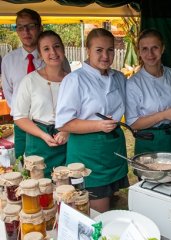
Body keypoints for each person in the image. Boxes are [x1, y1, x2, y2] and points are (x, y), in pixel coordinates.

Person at [55, 28, 128, 213]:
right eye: (99, 50)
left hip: (113, 149)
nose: (105, 55)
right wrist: (98, 125)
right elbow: (64, 123)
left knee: (111, 203)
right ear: (88, 50)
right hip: (88, 153)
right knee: (96, 213)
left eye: (110, 50)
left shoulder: (119, 77)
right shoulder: (75, 80)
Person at [1, 8, 71, 159]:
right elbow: (8, 92)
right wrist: (25, 117)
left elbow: (68, 91)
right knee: (24, 164)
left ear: (40, 27)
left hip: (59, 126)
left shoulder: (58, 59)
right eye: (20, 27)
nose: (25, 31)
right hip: (23, 122)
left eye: (31, 26)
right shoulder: (9, 60)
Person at [13, 30, 68, 178]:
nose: (53, 52)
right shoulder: (30, 80)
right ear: (40, 54)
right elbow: (19, 117)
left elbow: (82, 113)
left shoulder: (73, 80)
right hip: (38, 141)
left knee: (66, 188)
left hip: (68, 143)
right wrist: (43, 135)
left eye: (56, 46)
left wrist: (67, 131)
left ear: (63, 48)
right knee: (40, 190)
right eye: (46, 49)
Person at [125, 28, 171, 155]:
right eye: (145, 49)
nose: (150, 54)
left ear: (163, 48)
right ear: (139, 52)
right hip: (149, 141)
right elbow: (133, 123)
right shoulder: (133, 83)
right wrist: (164, 115)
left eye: (155, 47)